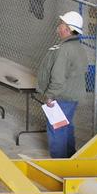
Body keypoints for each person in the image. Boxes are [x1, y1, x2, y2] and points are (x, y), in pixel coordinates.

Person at [36, 10, 89, 157]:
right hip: (72, 96)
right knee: (66, 126)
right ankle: (71, 159)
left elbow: (58, 78)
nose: (58, 27)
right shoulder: (79, 47)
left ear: (67, 29)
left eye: (61, 24)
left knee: (57, 129)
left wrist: (50, 96)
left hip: (62, 96)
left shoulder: (64, 50)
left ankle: (59, 163)